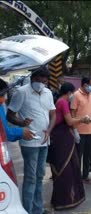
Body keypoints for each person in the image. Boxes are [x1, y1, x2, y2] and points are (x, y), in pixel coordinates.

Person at [7, 67, 57, 214]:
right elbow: (10, 114)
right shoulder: (22, 92)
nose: (41, 83)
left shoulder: (48, 93)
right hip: (29, 142)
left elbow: (53, 114)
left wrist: (49, 130)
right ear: (32, 78)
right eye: (38, 80)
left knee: (40, 175)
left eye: (44, 81)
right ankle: (27, 210)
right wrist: (21, 123)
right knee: (30, 177)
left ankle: (38, 209)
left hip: (44, 140)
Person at [47, 82, 90, 210]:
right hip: (61, 139)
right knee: (65, 169)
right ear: (69, 93)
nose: (73, 95)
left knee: (70, 167)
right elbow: (69, 121)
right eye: (72, 93)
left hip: (63, 137)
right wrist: (83, 119)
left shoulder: (60, 101)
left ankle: (68, 199)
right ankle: (64, 201)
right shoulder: (63, 102)